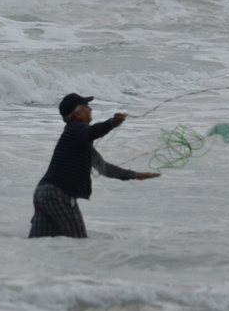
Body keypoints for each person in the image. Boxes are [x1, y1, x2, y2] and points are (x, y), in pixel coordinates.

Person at [28, 93, 161, 238]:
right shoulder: (76, 129)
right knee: (78, 240)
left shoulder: (77, 139)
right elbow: (92, 131)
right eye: (86, 106)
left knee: (37, 242)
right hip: (58, 193)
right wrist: (112, 123)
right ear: (78, 114)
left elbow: (103, 168)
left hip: (42, 193)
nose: (90, 109)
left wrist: (135, 175)